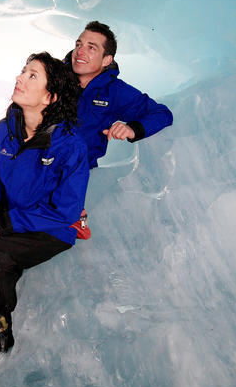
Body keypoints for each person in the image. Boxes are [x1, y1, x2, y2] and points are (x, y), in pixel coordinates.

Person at [0, 53, 89, 355]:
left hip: (50, 228)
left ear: (50, 97)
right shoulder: (0, 134)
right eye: (23, 71)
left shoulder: (70, 144)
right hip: (10, 223)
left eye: (32, 75)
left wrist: (3, 225)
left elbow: (66, 211)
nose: (19, 78)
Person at [64, 20, 173, 238]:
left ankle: (73, 217)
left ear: (107, 60)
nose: (80, 52)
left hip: (75, 172)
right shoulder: (55, 78)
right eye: (79, 44)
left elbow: (162, 114)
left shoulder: (114, 92)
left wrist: (133, 128)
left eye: (91, 47)